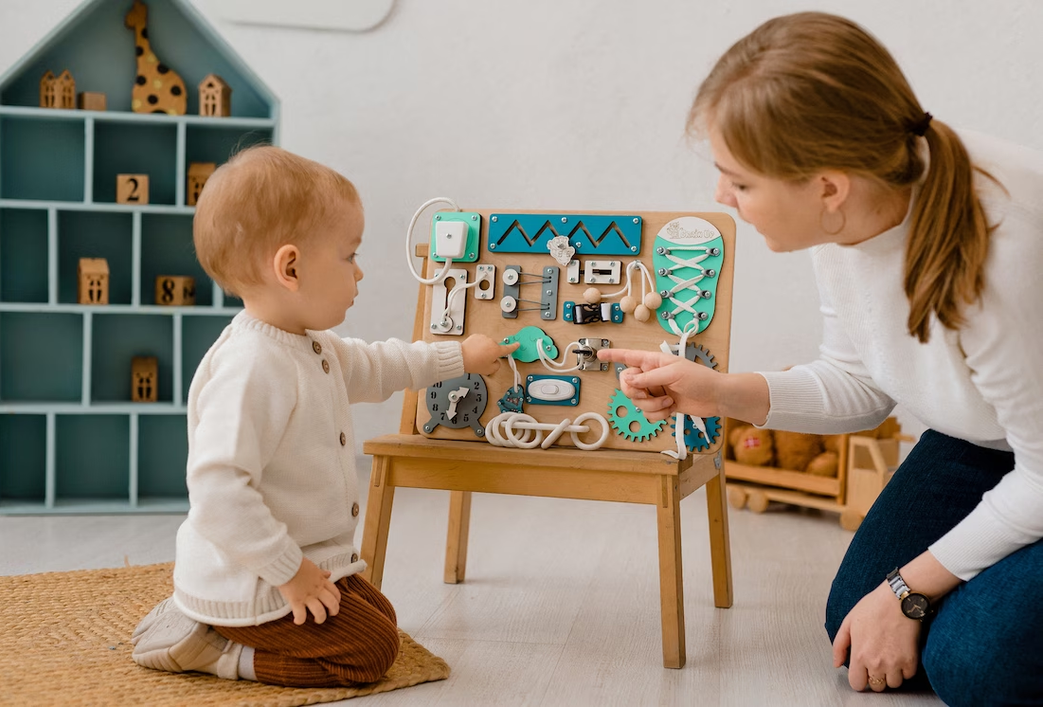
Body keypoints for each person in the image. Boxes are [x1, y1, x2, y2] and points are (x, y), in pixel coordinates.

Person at [598, 12, 1042, 706]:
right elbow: (860, 380)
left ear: (827, 186)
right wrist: (717, 390)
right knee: (855, 626)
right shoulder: (851, 213)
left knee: (973, 662)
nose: (722, 196)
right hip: (995, 438)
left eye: (739, 182)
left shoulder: (1003, 254)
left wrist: (909, 587)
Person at [130, 146, 515, 687]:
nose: (359, 272)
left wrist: (460, 357)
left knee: (381, 617)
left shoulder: (311, 346)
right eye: (349, 255)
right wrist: (290, 573)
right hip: (250, 573)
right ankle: (213, 648)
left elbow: (383, 364)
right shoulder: (252, 367)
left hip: (299, 556)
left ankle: (219, 627)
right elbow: (218, 492)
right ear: (290, 267)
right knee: (368, 653)